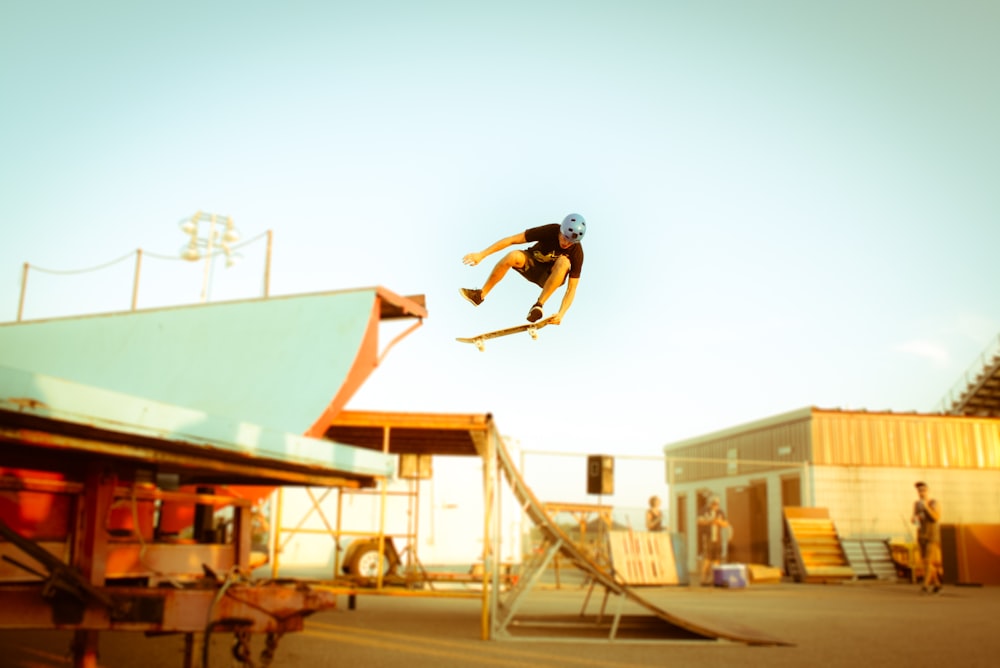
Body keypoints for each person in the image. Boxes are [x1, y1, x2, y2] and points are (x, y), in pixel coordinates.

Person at [460, 213, 586, 324]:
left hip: (549, 277)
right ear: (560, 231)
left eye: (570, 242)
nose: (566, 244)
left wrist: (561, 313)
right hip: (530, 264)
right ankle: (480, 295)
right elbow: (512, 240)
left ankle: (538, 305)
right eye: (564, 238)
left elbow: (572, 288)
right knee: (513, 255)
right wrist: (482, 254)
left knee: (564, 262)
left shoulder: (577, 252)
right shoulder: (549, 230)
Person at [911, 481, 943, 594]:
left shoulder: (934, 502)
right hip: (922, 535)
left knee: (928, 560)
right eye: (919, 490)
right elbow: (914, 518)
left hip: (932, 535)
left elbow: (936, 517)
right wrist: (914, 519)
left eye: (923, 490)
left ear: (927, 491)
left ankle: (925, 585)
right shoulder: (916, 504)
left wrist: (926, 507)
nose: (921, 492)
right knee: (925, 562)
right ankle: (937, 584)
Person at [698, 496, 729, 585]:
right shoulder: (704, 511)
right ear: (710, 503)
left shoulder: (720, 512)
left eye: (717, 504)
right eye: (714, 503)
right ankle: (703, 579)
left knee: (717, 558)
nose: (716, 505)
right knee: (707, 558)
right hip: (707, 537)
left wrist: (719, 522)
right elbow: (699, 521)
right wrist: (710, 521)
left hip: (717, 538)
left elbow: (726, 523)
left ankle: (715, 578)